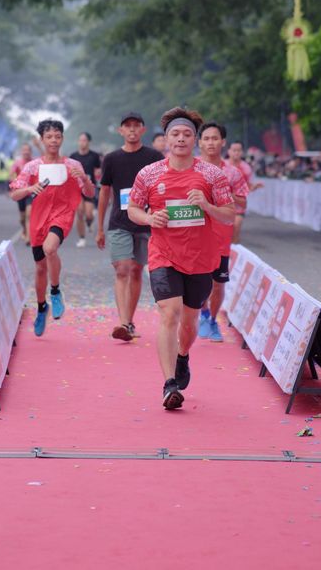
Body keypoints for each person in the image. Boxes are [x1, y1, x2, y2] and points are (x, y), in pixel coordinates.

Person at [128, 107, 235, 409]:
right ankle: (169, 384)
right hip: (163, 255)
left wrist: (207, 206)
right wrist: (149, 218)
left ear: (195, 140)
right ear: (165, 139)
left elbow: (229, 215)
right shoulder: (149, 174)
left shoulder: (212, 175)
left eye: (187, 134)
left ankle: (183, 355)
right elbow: (133, 209)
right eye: (175, 134)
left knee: (188, 324)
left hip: (200, 259)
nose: (181, 139)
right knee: (169, 314)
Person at [10, 119, 95, 337]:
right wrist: (30, 188)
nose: (54, 140)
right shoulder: (32, 167)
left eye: (57, 136)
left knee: (50, 248)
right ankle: (42, 307)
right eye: (49, 137)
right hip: (39, 219)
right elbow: (15, 194)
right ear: (42, 140)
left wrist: (84, 179)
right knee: (40, 268)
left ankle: (55, 291)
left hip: (62, 214)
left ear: (62, 139)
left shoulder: (72, 165)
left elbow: (90, 193)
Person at [97, 112, 163, 341]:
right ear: (121, 131)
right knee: (122, 268)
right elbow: (104, 193)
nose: (132, 129)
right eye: (127, 126)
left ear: (143, 130)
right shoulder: (111, 159)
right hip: (119, 222)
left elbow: (162, 186)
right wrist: (99, 227)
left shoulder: (154, 157)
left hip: (145, 223)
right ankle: (123, 323)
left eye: (136, 126)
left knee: (136, 270)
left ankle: (129, 321)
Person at [198, 122, 249, 341]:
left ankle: (212, 320)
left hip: (221, 235)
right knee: (200, 281)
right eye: (206, 138)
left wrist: (224, 191)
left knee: (218, 284)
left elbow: (243, 202)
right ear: (200, 142)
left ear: (223, 142)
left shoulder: (233, 173)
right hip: (195, 235)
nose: (211, 142)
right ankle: (203, 313)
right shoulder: (191, 168)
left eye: (215, 138)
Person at [69, 132, 102, 247]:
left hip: (89, 188)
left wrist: (98, 173)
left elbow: (98, 169)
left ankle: (89, 222)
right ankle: (82, 238)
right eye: (80, 140)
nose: (82, 142)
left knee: (89, 215)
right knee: (79, 213)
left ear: (88, 142)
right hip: (77, 189)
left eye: (84, 140)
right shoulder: (73, 156)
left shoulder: (94, 156)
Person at [227, 140, 262, 243]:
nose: (236, 153)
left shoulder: (246, 168)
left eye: (238, 150)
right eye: (234, 150)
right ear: (229, 151)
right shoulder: (222, 165)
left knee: (236, 227)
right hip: (223, 205)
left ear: (242, 152)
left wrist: (254, 187)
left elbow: (248, 186)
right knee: (224, 234)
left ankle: (234, 247)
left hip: (238, 205)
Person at [10, 143, 34, 244]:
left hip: (31, 192)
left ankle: (28, 237)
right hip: (21, 193)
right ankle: (24, 229)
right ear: (21, 152)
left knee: (29, 214)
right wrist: (15, 184)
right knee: (22, 218)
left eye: (28, 150)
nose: (26, 152)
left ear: (30, 152)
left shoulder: (34, 163)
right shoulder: (17, 163)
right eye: (24, 150)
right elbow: (11, 174)